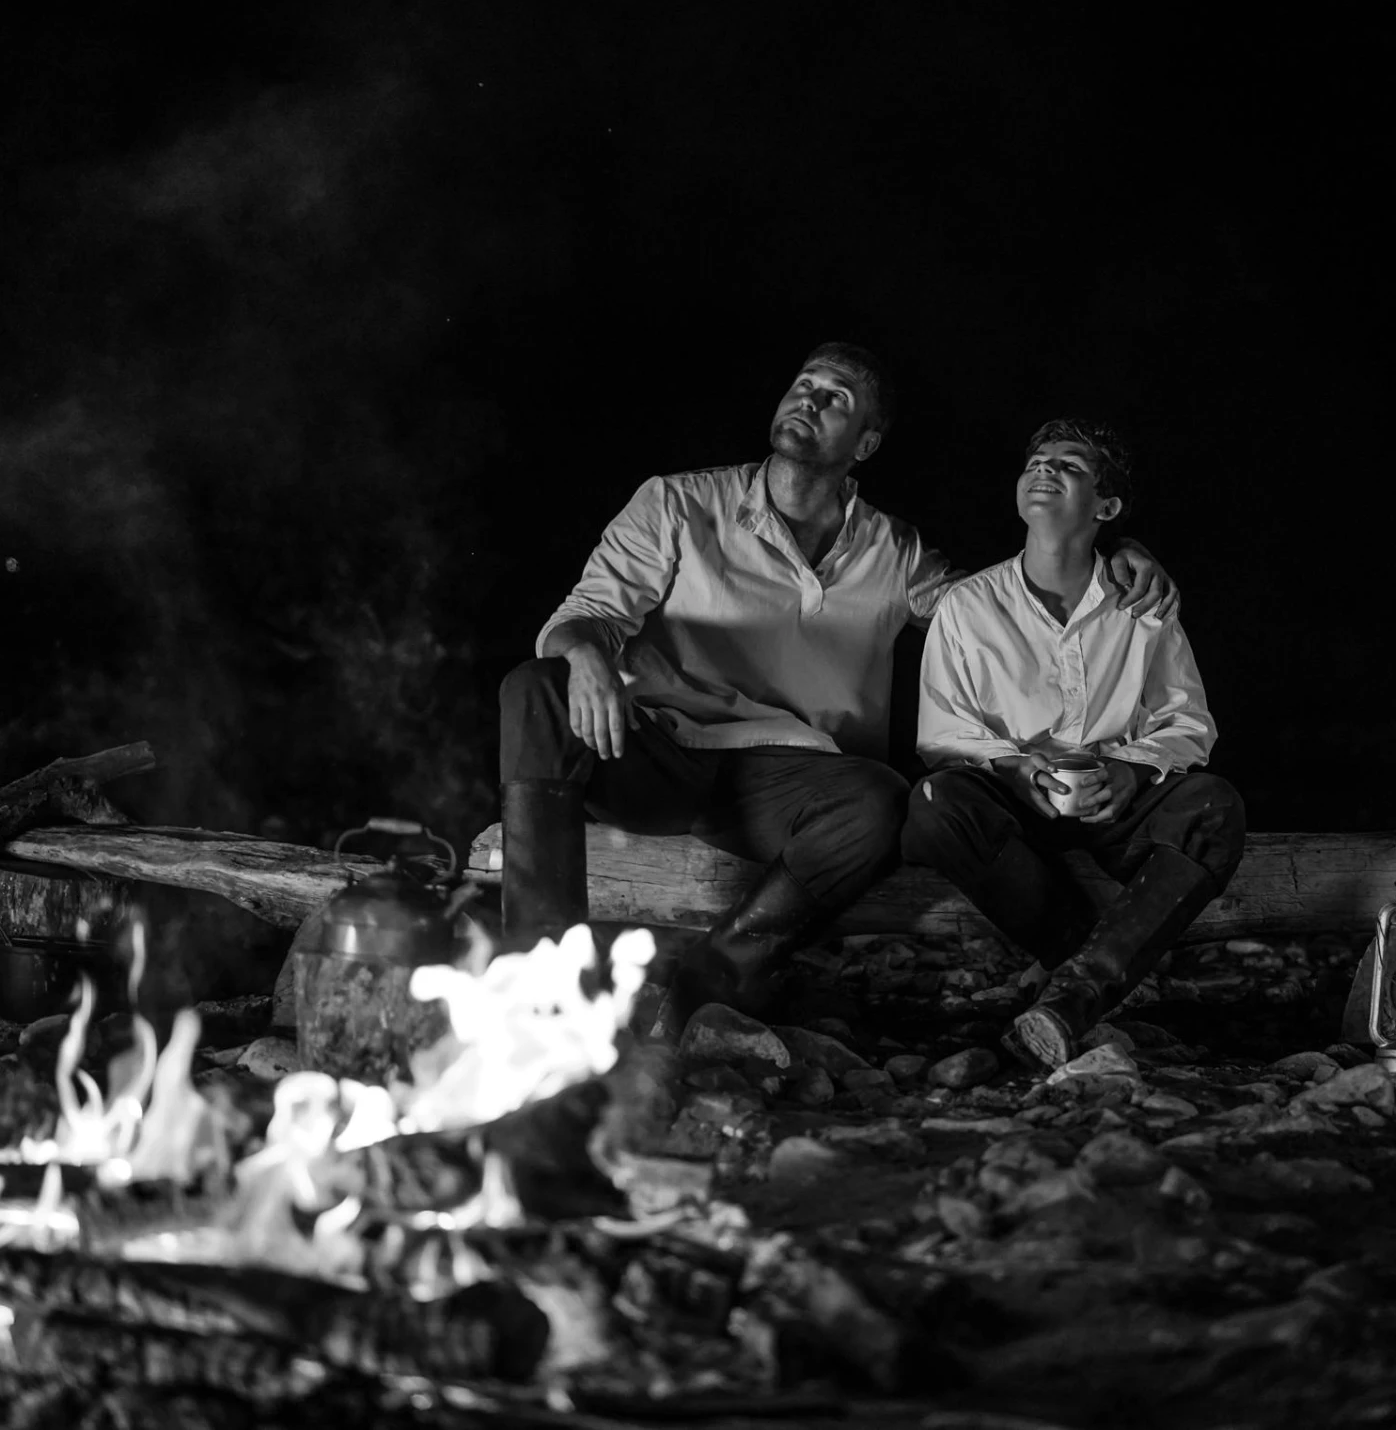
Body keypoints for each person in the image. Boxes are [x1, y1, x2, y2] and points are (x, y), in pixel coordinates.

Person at [498, 345, 1179, 1036]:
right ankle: (539, 986)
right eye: (803, 385)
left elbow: (1000, 604)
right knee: (536, 687)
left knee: (882, 797)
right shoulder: (677, 503)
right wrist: (584, 651)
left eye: (836, 399)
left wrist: (1112, 553)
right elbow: (584, 616)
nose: (809, 401)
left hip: (791, 787)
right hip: (656, 755)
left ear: (866, 442)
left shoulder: (893, 550)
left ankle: (716, 974)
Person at [901, 417, 1242, 1068]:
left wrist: (1129, 771)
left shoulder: (1141, 603)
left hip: (1115, 806)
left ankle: (1073, 997)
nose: (1044, 470)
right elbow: (944, 734)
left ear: (1107, 506)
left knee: (1213, 805)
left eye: (1070, 465)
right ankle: (1100, 969)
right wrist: (1015, 770)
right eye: (1036, 461)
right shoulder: (968, 607)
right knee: (935, 805)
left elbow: (1189, 723)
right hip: (1016, 807)